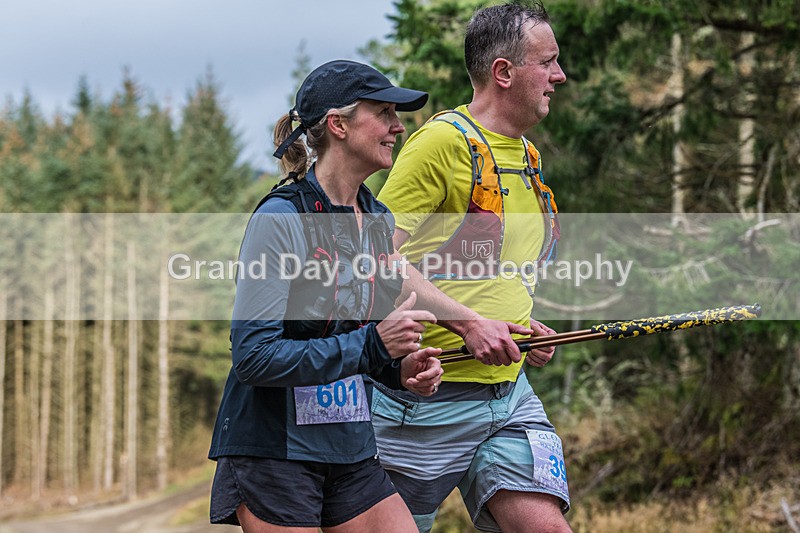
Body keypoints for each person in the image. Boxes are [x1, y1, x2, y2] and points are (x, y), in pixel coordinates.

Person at [208, 60, 444, 533]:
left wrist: (397, 369)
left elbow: (355, 337)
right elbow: (254, 357)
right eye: (384, 112)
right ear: (338, 125)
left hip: (350, 447)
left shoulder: (377, 219)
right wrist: (375, 345)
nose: (398, 126)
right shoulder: (281, 218)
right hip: (274, 450)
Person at [371, 2, 571, 532]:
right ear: (504, 72)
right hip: (422, 400)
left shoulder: (527, 155)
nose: (559, 75)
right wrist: (468, 324)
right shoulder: (441, 143)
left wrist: (521, 326)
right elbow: (377, 257)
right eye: (547, 62)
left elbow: (490, 274)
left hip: (509, 396)